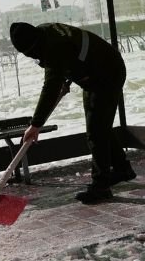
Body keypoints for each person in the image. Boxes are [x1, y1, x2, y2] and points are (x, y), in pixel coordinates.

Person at [10, 22, 136, 204]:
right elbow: (72, 54)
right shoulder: (44, 33)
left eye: (31, 54)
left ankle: (101, 187)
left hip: (107, 73)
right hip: (95, 72)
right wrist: (66, 77)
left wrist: (35, 124)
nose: (34, 58)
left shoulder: (54, 47)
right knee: (100, 125)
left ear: (34, 46)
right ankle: (122, 168)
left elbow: (50, 87)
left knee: (96, 132)